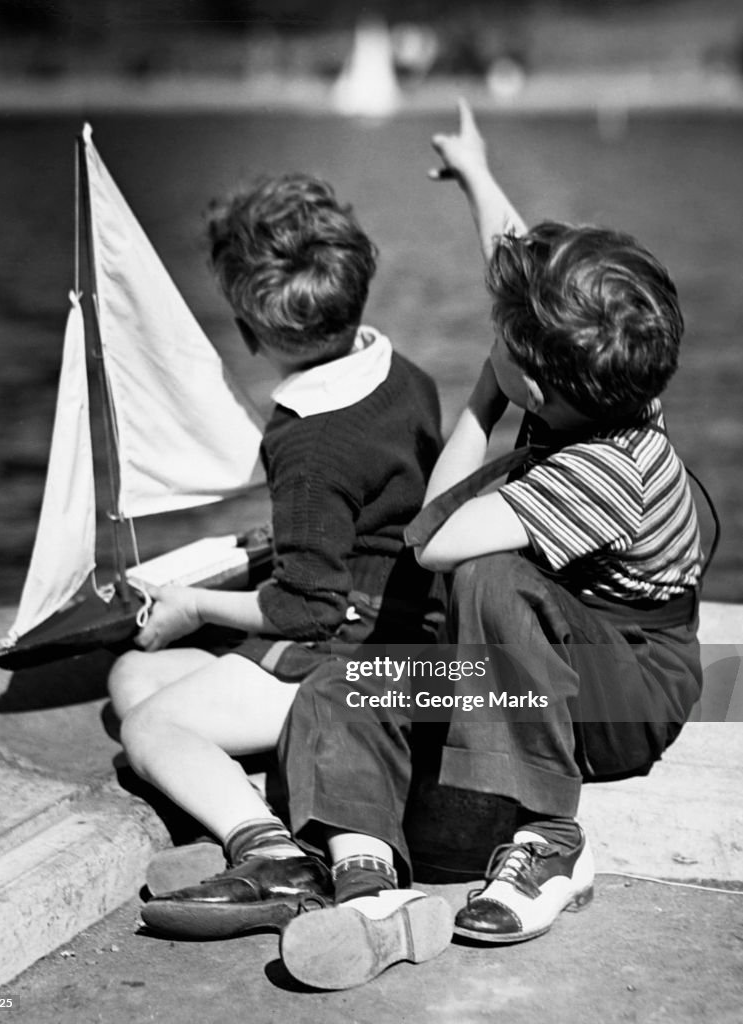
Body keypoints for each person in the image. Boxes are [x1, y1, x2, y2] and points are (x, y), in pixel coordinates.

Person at [273, 98, 704, 984]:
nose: (493, 332)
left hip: (623, 697)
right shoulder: (608, 378)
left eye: (506, 344)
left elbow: (432, 538)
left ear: (536, 384)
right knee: (341, 685)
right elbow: (530, 284)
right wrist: (476, 174)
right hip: (537, 667)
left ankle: (548, 838)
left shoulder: (601, 474)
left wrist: (482, 393)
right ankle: (364, 867)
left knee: (487, 578)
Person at [107, 172, 453, 964]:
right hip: (399, 626)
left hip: (345, 653)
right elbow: (381, 510)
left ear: (247, 325)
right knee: (135, 674)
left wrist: (194, 604)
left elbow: (305, 610)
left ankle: (270, 855)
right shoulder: (406, 376)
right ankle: (268, 779)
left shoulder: (304, 440)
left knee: (147, 723)